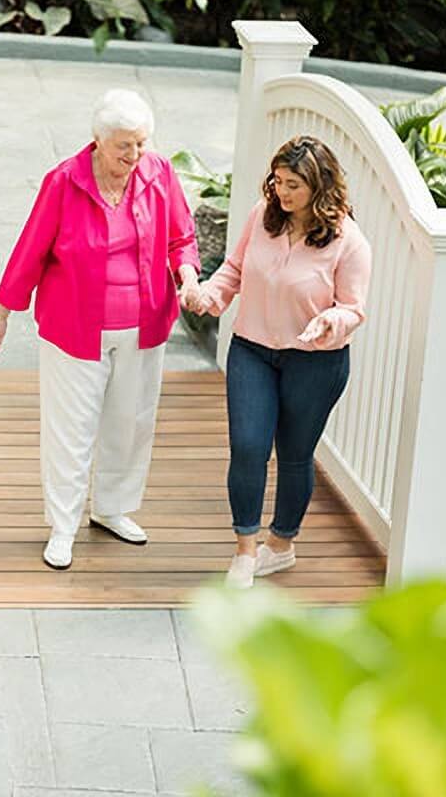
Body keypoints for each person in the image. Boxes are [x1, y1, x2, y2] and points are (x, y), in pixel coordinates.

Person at [0, 89, 199, 570]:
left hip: (144, 324)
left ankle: (112, 508)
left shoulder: (158, 173)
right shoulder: (64, 182)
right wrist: (1, 312)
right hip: (76, 328)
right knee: (71, 430)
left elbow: (182, 236)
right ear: (97, 141)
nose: (134, 155)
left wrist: (187, 276)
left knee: (131, 422)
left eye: (141, 143)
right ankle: (63, 526)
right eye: (124, 146)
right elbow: (30, 251)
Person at [180, 135, 372, 589]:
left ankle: (281, 543)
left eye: (294, 186)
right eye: (278, 181)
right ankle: (246, 549)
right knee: (248, 446)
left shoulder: (349, 242)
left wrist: (332, 320)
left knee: (294, 455)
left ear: (320, 188)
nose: (282, 193)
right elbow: (233, 270)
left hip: (315, 363)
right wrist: (210, 296)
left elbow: (354, 308)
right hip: (251, 350)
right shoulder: (262, 217)